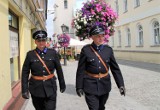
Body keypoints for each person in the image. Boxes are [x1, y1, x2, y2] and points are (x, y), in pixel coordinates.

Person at [76, 25, 126, 110]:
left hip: (104, 85)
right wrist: (79, 87)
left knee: (101, 107)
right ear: (92, 37)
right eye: (98, 36)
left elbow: (115, 69)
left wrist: (121, 85)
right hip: (90, 85)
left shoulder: (108, 50)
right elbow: (80, 70)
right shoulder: (86, 50)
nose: (101, 38)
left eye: (102, 35)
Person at [21, 30, 66, 110]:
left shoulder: (53, 53)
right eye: (39, 40)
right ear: (35, 42)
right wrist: (24, 89)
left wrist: (62, 84)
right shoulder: (30, 55)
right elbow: (25, 72)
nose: (41, 42)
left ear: (46, 41)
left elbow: (59, 70)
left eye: (43, 40)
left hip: (50, 87)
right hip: (36, 89)